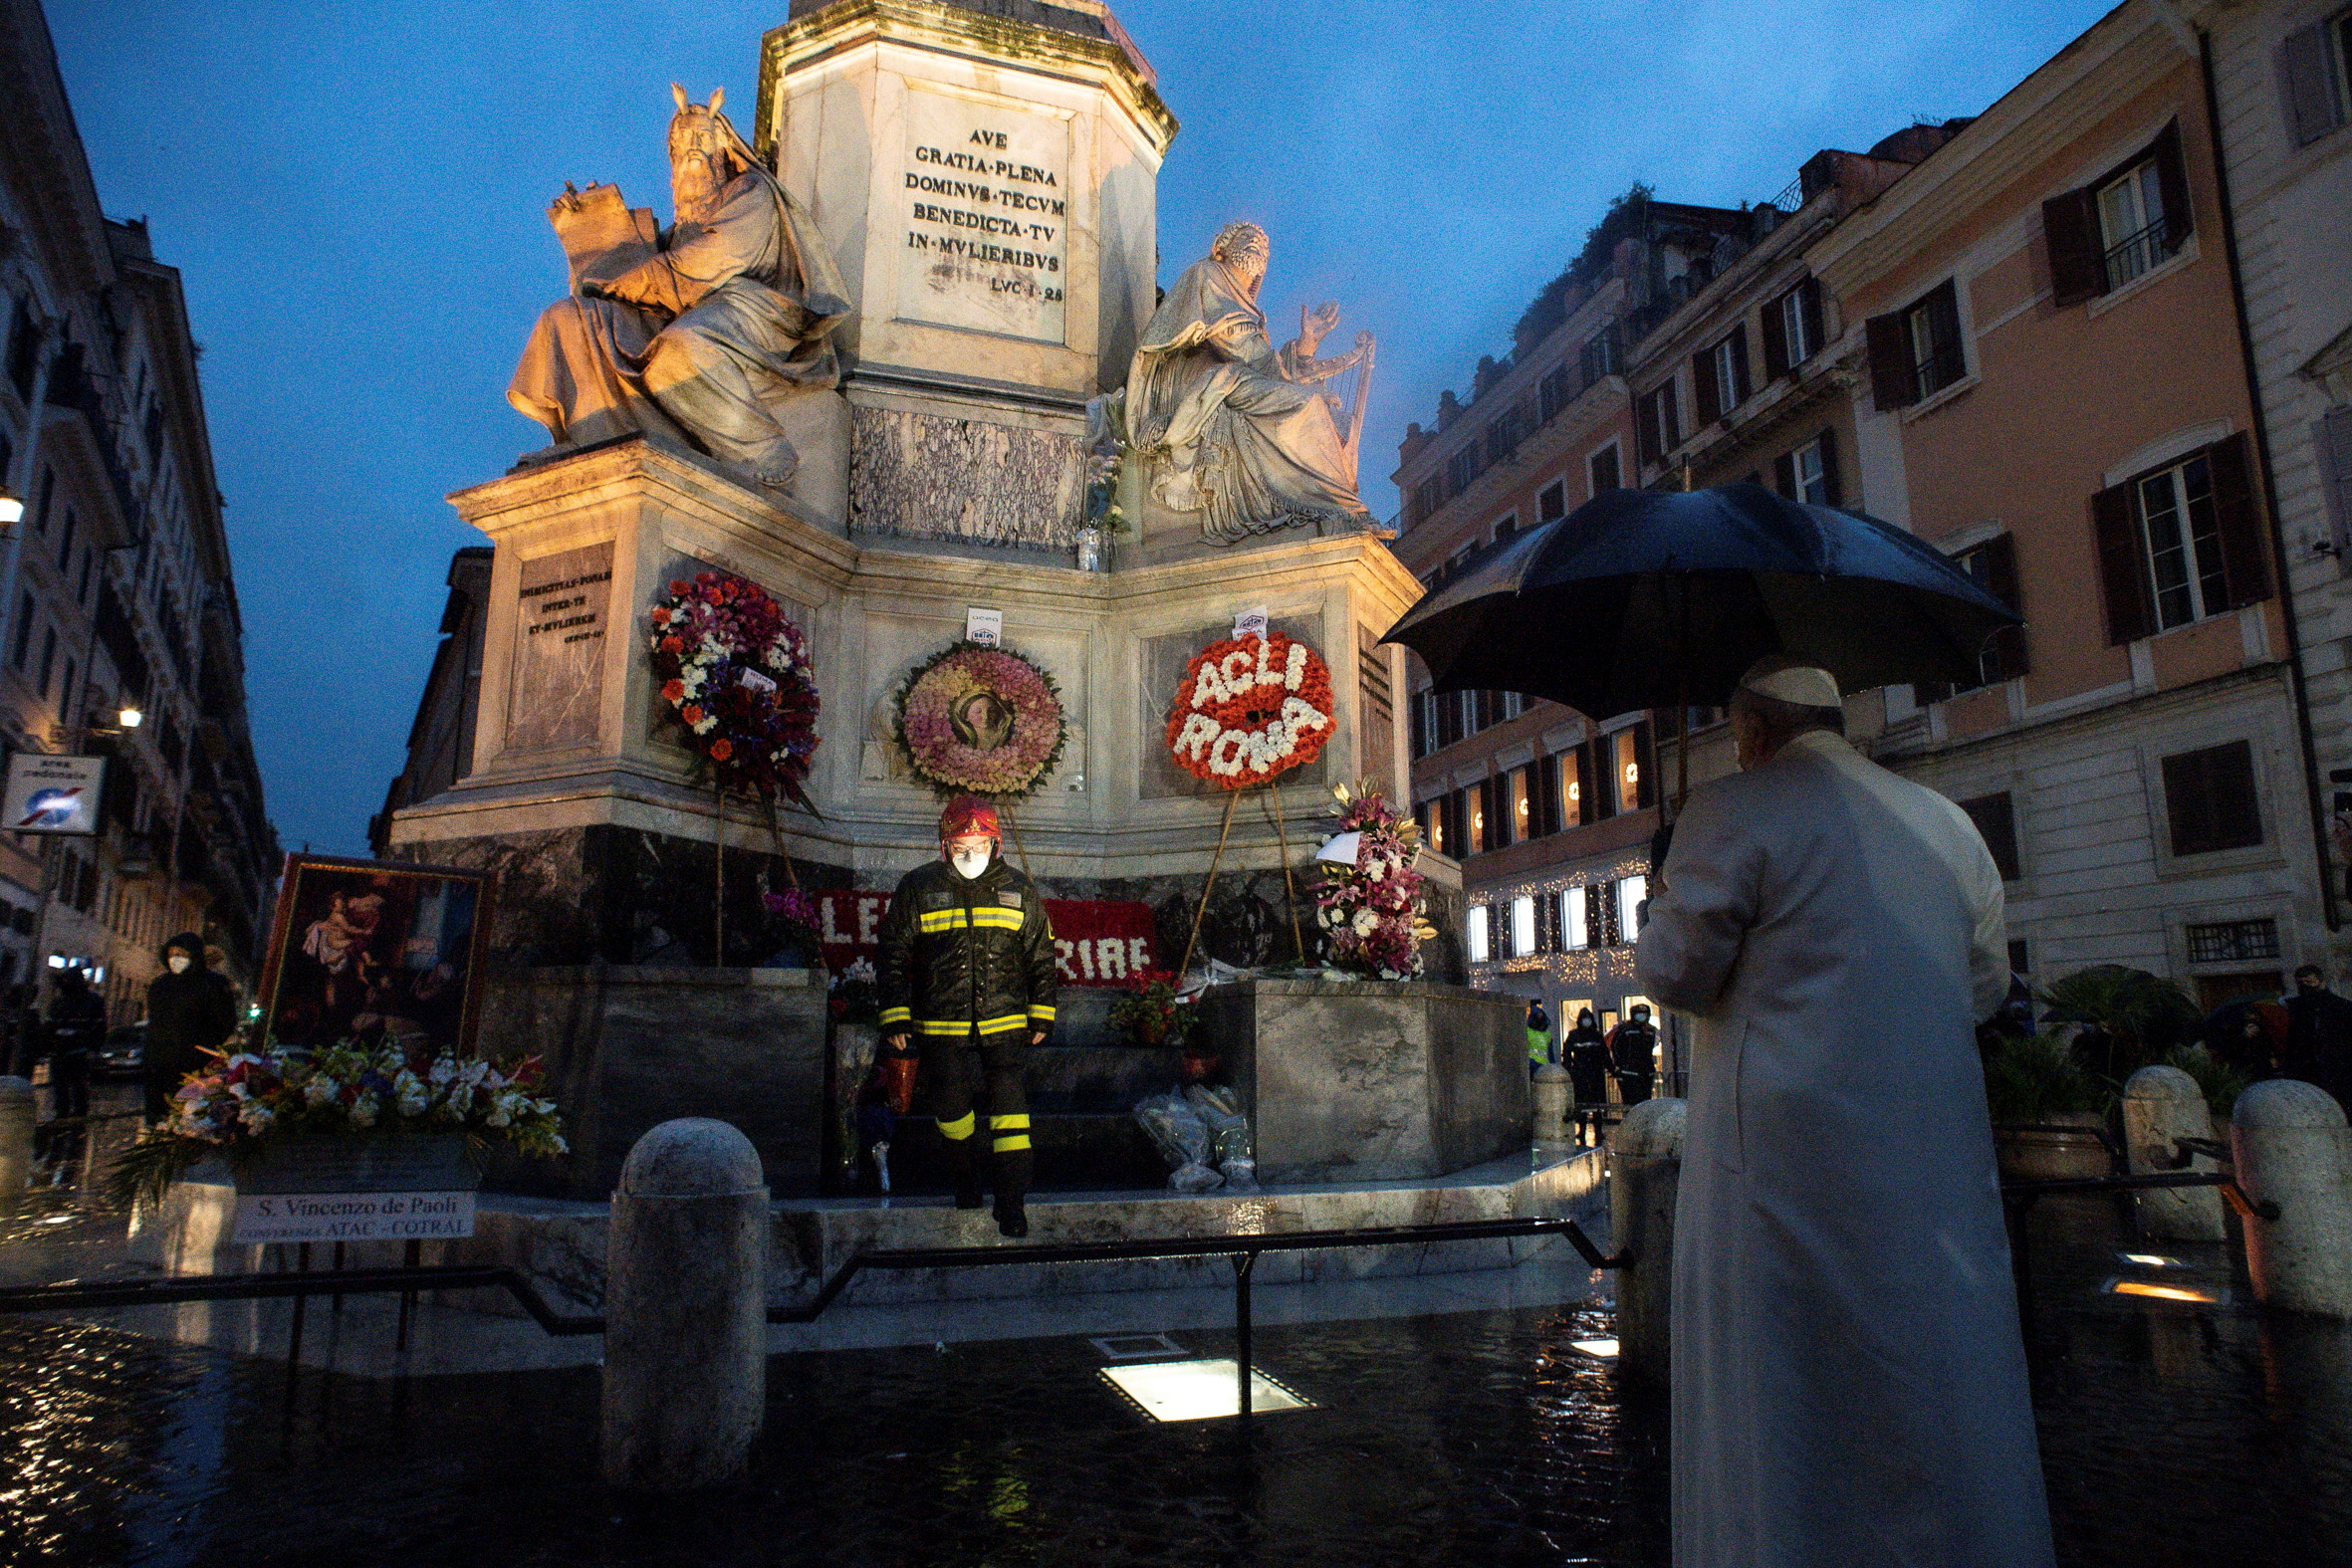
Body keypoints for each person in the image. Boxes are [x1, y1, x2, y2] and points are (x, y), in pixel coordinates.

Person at [1635, 656, 2053, 1567]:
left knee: (1785, 1413)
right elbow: (1983, 985)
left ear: (1751, 728)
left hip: (1782, 1173)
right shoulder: (1947, 824)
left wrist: (1655, 903)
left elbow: (1674, 973)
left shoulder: (1730, 809)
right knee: (1939, 1380)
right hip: (1929, 1162)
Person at [509, 86, 849, 487]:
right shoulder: (677, 231)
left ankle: (765, 451)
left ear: (723, 151)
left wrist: (630, 280)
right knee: (568, 318)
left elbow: (707, 260)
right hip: (684, 312)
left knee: (678, 355)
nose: (692, 150)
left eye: (702, 139)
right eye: (682, 142)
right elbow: (628, 275)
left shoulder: (751, 193)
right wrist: (588, 229)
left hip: (754, 313)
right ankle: (586, 437)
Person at [875, 796, 1058, 1238]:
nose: (970, 853)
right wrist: (896, 1016)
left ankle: (1011, 1205)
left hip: (1005, 1022)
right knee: (952, 1109)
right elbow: (893, 954)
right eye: (961, 846)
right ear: (944, 846)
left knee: (1010, 1115)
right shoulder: (917, 888)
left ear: (996, 844)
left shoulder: (1019, 889)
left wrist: (1042, 1012)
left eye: (980, 843)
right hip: (942, 1022)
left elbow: (1041, 953)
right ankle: (966, 1183)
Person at [1125, 221, 1375, 543]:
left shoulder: (1249, 306)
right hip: (1195, 378)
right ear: (1222, 248)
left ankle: (1332, 506)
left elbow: (1264, 361)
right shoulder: (1208, 274)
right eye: (1247, 238)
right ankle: (1330, 507)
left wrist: (1306, 345)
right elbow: (1240, 345)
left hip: (1234, 374)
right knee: (1307, 403)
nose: (1257, 244)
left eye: (1263, 244)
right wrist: (1296, 386)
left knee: (1333, 417)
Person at [143, 934, 239, 1126]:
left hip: (197, 1062)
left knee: (192, 1115)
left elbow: (225, 1021)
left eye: (181, 953)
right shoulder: (160, 985)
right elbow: (155, 1022)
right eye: (172, 954)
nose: (175, 959)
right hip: (160, 1062)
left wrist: (202, 1044)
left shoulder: (213, 984)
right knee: (159, 1115)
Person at [42, 967, 106, 1170]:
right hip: (61, 1053)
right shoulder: (60, 1002)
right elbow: (50, 1026)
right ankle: (63, 1127)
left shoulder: (92, 1002)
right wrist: (51, 1044)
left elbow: (99, 1028)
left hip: (78, 1053)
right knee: (61, 1093)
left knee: (78, 1092)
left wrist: (91, 1049)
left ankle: (76, 1132)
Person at [2286, 964, 2352, 1112]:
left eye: (2309, 982)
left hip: (2339, 1070)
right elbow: (2293, 1040)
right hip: (2308, 1070)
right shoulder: (2296, 1008)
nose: (2305, 987)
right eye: (2301, 983)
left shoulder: (2342, 1007)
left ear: (2321, 982)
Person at [1606, 1003, 1658, 1105]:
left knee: (1645, 1100)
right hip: (1629, 1072)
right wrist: (1621, 1064)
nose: (1642, 1016)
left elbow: (1649, 1049)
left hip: (1646, 1071)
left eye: (1644, 1013)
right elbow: (1615, 1046)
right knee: (1632, 1101)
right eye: (1638, 1013)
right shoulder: (1626, 1029)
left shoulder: (1651, 1030)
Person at [1525, 998, 1553, 1076]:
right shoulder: (1527, 1032)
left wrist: (1552, 1066)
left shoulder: (1547, 1033)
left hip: (1545, 1067)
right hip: (1532, 1067)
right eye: (1538, 1016)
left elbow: (1550, 1053)